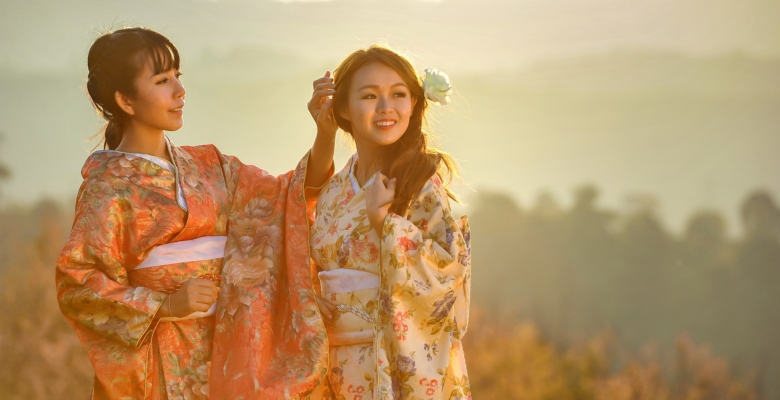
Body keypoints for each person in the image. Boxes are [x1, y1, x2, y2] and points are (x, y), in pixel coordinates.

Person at [55, 27, 332, 399]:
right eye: (162, 80)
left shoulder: (210, 164)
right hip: (162, 357)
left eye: (177, 76)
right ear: (125, 99)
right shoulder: (107, 187)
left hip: (231, 347)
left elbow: (287, 197)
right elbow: (78, 282)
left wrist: (325, 132)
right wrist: (165, 304)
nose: (179, 91)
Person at [308, 45, 472, 399]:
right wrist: (306, 296)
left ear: (413, 104)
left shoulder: (420, 182)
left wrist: (386, 225)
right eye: (369, 96)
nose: (386, 108)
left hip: (391, 365)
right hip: (332, 366)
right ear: (344, 110)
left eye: (398, 95)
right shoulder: (334, 189)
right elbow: (308, 256)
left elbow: (447, 275)